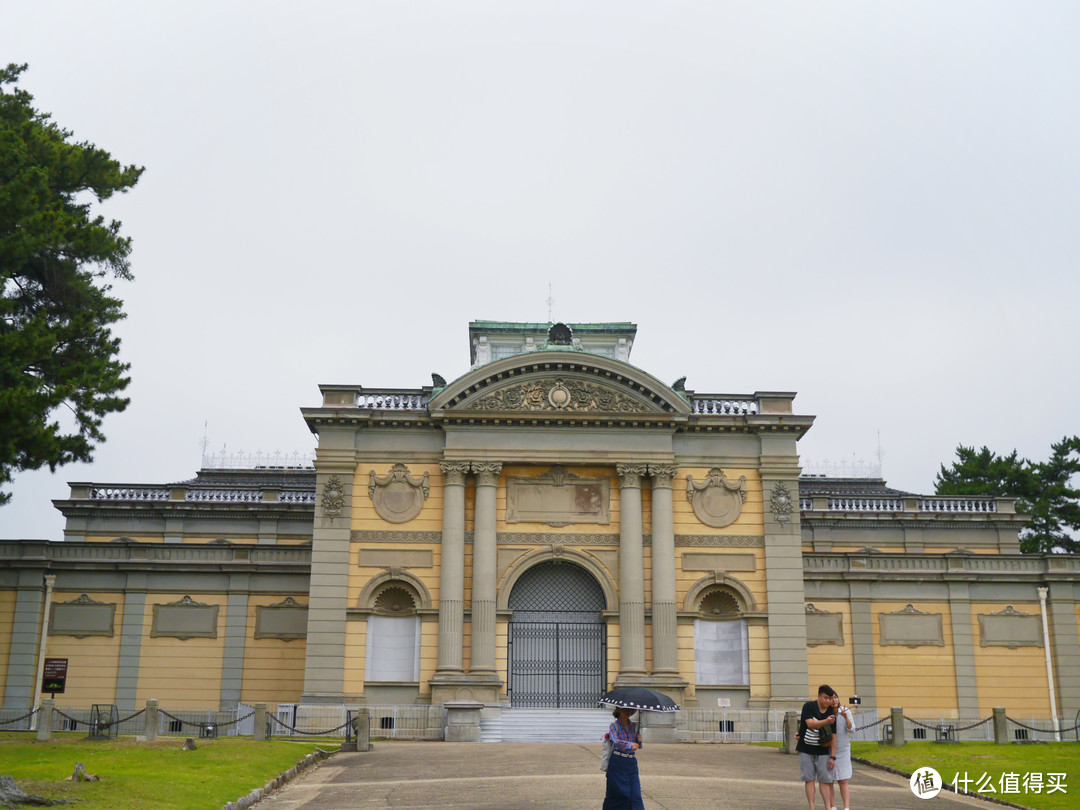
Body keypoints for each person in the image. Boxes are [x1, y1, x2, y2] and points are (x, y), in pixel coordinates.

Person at [797, 684, 837, 810]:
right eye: (825, 698)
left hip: (823, 750)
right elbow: (810, 724)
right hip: (806, 749)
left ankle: (828, 807)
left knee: (825, 780)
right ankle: (812, 807)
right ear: (819, 696)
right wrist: (826, 721)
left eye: (830, 698)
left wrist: (833, 756)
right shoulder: (809, 706)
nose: (828, 701)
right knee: (809, 779)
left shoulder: (831, 711)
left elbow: (834, 736)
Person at [603, 707, 644, 810]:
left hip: (631, 762)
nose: (628, 713)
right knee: (619, 793)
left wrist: (639, 741)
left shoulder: (634, 726)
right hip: (618, 761)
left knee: (635, 794)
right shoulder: (614, 726)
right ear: (619, 711)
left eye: (630, 711)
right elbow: (615, 741)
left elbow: (637, 746)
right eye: (625, 710)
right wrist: (629, 745)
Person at [830, 694, 855, 810]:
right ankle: (832, 806)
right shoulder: (826, 713)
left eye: (835, 697)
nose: (834, 700)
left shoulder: (845, 711)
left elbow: (852, 729)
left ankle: (846, 807)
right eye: (831, 698)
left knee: (843, 779)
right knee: (829, 779)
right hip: (829, 750)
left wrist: (845, 717)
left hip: (843, 749)